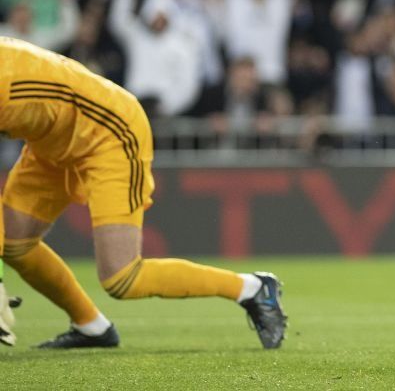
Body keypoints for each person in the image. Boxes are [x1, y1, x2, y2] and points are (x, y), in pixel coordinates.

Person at [0, 36, 287, 349]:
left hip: (110, 134)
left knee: (122, 277)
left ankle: (252, 288)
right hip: (52, 140)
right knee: (15, 243)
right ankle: (91, 326)